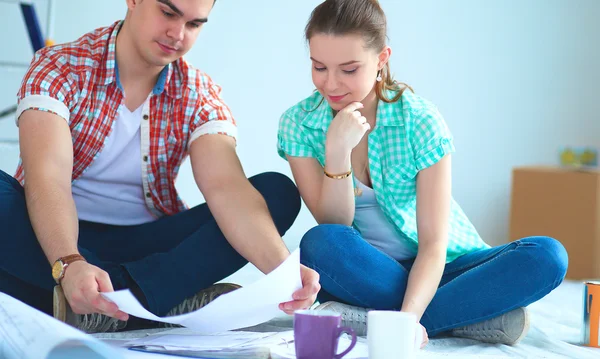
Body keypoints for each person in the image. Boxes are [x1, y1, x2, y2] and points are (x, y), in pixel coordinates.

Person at [0, 0, 319, 334]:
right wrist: (69, 263)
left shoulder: (198, 94)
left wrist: (284, 273)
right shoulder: (61, 67)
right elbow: (47, 177)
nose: (177, 34)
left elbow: (227, 188)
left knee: (275, 193)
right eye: (168, 13)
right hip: (49, 237)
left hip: (146, 247)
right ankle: (154, 299)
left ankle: (109, 301)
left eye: (194, 24)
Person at [277, 0, 567, 347]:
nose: (331, 84)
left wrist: (409, 319)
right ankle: (466, 316)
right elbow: (333, 224)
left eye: (349, 69)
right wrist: (337, 152)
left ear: (381, 59)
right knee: (318, 243)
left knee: (547, 256)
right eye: (319, 67)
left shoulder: (420, 120)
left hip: (444, 267)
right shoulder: (299, 123)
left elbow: (433, 245)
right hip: (370, 269)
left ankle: (379, 318)